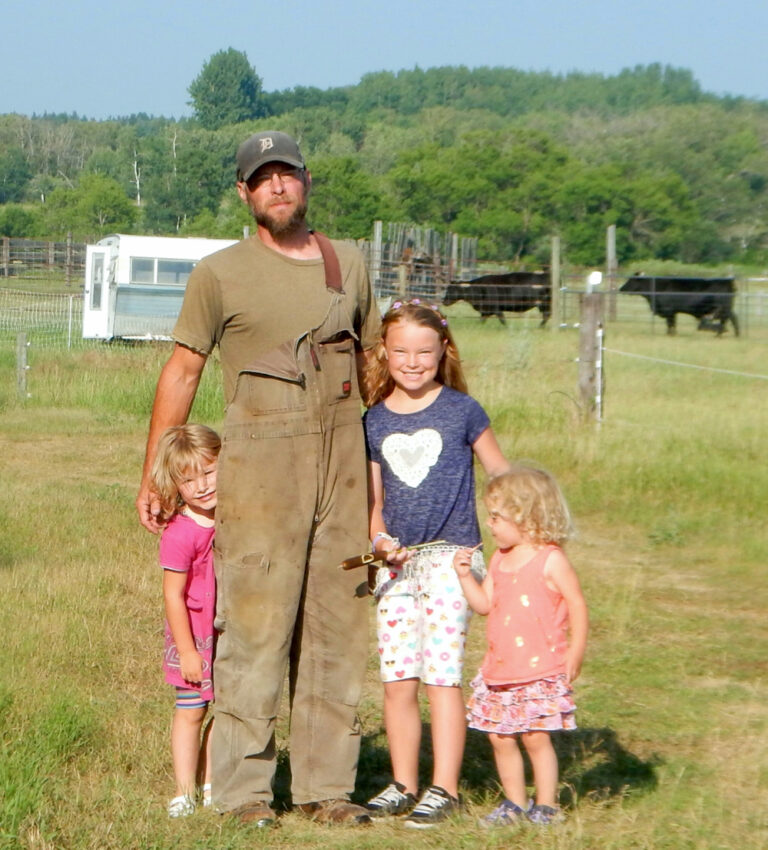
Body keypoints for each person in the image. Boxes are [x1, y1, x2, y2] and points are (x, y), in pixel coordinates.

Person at [136, 131, 381, 827]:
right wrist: (156, 476)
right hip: (261, 464)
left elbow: (371, 368)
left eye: (288, 174)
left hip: (342, 458)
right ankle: (243, 794)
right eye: (262, 178)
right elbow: (182, 371)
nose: (278, 186)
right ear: (245, 194)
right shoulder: (220, 273)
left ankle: (327, 789)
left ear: (308, 182)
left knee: (336, 627)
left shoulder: (351, 262)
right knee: (255, 628)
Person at [361, 299, 509, 828]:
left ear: (443, 350)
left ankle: (443, 788)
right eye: (401, 350)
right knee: (398, 678)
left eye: (424, 351)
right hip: (397, 567)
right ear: (384, 352)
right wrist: (380, 542)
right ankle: (403, 783)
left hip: (453, 562)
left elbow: (502, 476)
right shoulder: (372, 420)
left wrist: (521, 539)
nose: (413, 361)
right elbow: (374, 505)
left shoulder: (463, 411)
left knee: (441, 677)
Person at [452, 464, 589, 826]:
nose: (491, 524)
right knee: (499, 736)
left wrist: (575, 651)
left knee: (534, 737)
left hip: (539, 668)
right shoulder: (499, 559)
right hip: (501, 668)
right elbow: (483, 605)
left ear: (526, 516)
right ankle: (515, 803)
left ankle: (546, 806)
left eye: (497, 517)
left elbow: (577, 604)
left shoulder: (551, 560)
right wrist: (465, 577)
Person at [150, 424, 220, 818]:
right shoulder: (179, 533)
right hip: (194, 636)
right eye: (189, 480)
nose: (203, 486)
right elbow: (172, 596)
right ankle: (183, 790)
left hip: (229, 631)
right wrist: (189, 652)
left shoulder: (234, 517)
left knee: (225, 710)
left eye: (209, 472)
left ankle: (211, 784)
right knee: (192, 710)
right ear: (176, 485)